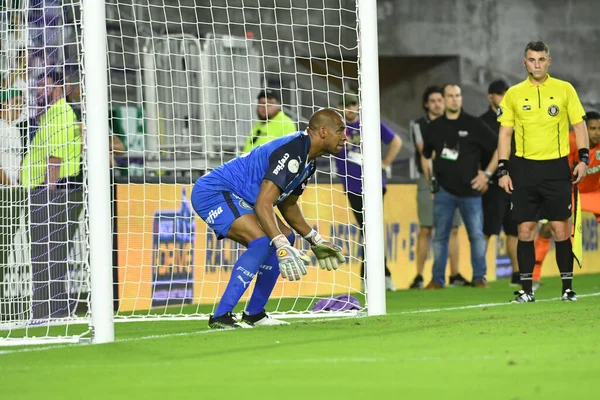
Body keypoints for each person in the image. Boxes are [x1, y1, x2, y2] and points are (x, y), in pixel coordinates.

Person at [192, 108, 346, 329]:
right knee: (265, 241)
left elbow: (288, 205)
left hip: (241, 197)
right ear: (323, 131)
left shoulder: (308, 162)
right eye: (340, 130)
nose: (345, 137)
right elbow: (263, 203)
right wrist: (279, 243)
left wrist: (315, 239)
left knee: (286, 236)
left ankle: (254, 314)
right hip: (215, 192)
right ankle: (220, 316)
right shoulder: (293, 150)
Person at [497, 41, 588, 303]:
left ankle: (567, 289)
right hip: (524, 169)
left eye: (541, 59)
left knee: (561, 229)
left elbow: (579, 126)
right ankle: (526, 290)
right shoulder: (513, 94)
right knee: (525, 230)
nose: (536, 64)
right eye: (531, 59)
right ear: (524, 62)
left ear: (549, 61)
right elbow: (505, 133)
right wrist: (503, 169)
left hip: (557, 167)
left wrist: (582, 158)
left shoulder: (564, 89)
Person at [423, 84, 499, 289]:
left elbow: (500, 148)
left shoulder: (475, 124)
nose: (454, 99)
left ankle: (480, 278)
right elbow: (427, 155)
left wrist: (487, 175)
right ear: (444, 99)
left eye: (458, 95)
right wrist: (432, 183)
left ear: (461, 98)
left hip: (471, 191)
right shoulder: (433, 127)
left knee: (476, 235)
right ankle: (437, 280)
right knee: (440, 236)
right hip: (443, 191)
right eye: (450, 96)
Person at [334, 92, 401, 291]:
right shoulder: (336, 128)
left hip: (373, 184)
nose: (349, 108)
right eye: (345, 105)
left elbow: (396, 141)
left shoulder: (370, 123)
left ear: (358, 106)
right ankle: (383, 275)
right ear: (339, 107)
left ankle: (370, 278)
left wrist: (385, 163)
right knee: (369, 230)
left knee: (369, 229)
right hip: (351, 185)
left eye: (353, 104)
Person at [531, 111, 600, 290]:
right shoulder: (570, 141)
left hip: (596, 192)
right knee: (548, 228)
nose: (596, 133)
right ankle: (534, 276)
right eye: (592, 129)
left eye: (599, 129)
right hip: (571, 191)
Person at [409, 86, 464, 289]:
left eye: (440, 100)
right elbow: (427, 153)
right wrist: (432, 181)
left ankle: (455, 274)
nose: (437, 104)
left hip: (453, 179)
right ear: (426, 104)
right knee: (426, 228)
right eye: (432, 101)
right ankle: (419, 276)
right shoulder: (419, 125)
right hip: (427, 179)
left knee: (455, 228)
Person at [479, 79, 520, 286]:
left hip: (515, 183)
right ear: (490, 97)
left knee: (514, 231)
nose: (504, 98)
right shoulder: (482, 121)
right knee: (488, 230)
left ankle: (517, 274)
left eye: (506, 94)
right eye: (500, 94)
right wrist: (482, 175)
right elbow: (476, 152)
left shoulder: (515, 118)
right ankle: (479, 274)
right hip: (494, 185)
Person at [21, 69, 81, 189]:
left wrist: (49, 195)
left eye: (44, 86)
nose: (39, 91)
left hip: (50, 189)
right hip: (44, 186)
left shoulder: (59, 113)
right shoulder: (52, 112)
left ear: (58, 89)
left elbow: (55, 158)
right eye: (38, 86)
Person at [242, 88, 297, 153]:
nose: (265, 107)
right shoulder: (257, 126)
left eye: (270, 103)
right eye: (262, 103)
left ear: (278, 105)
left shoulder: (286, 124)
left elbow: (288, 153)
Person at [0, 88, 24, 187]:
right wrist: (10, 185)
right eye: (17, 101)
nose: (21, 106)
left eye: (22, 102)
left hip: (15, 187)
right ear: (5, 104)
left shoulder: (16, 130)